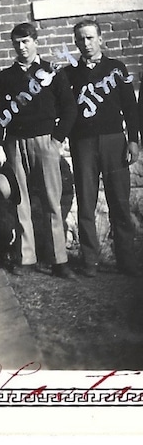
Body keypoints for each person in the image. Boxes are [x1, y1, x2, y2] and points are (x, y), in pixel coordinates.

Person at [0, 22, 77, 278]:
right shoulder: (5, 77)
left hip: (45, 142)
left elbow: (70, 109)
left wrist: (57, 139)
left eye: (26, 41)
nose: (22, 46)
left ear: (35, 42)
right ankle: (25, 257)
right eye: (17, 42)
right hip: (15, 143)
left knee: (52, 201)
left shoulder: (52, 72)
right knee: (20, 203)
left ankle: (58, 260)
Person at [66, 19, 140, 277]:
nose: (85, 44)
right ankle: (89, 260)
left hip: (113, 141)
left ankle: (126, 259)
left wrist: (133, 140)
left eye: (90, 38)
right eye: (80, 39)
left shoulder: (116, 68)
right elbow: (62, 109)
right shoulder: (69, 73)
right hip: (82, 143)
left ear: (100, 39)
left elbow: (131, 108)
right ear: (75, 42)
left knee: (119, 202)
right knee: (86, 202)